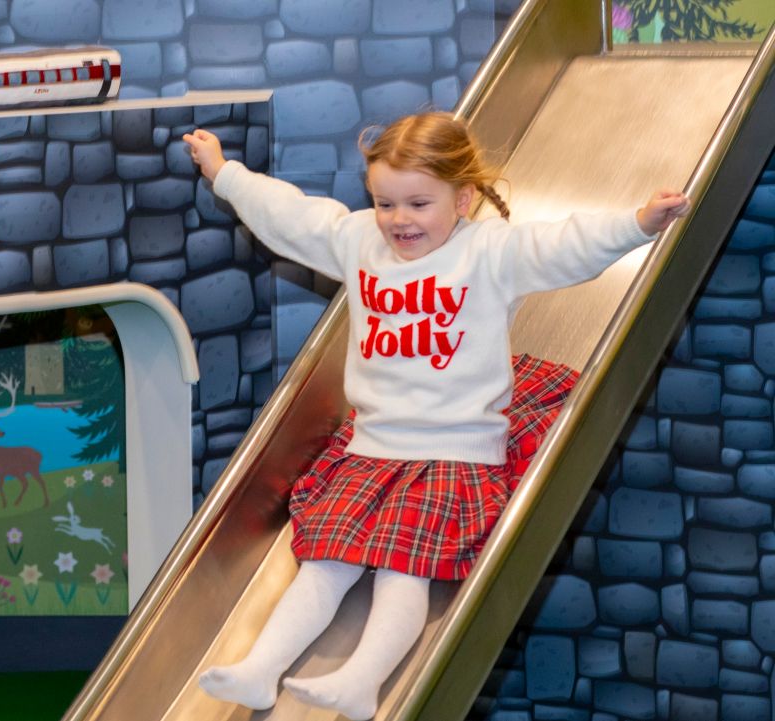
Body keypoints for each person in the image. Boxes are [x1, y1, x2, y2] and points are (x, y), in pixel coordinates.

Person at [182, 112, 689, 720]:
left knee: (404, 569)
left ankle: (362, 681)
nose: (400, 220)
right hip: (371, 446)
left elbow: (565, 245)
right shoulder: (360, 239)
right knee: (325, 561)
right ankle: (260, 670)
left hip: (455, 450)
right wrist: (224, 172)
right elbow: (292, 215)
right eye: (385, 202)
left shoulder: (491, 251)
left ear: (463, 197)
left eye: (419, 203)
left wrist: (637, 224)